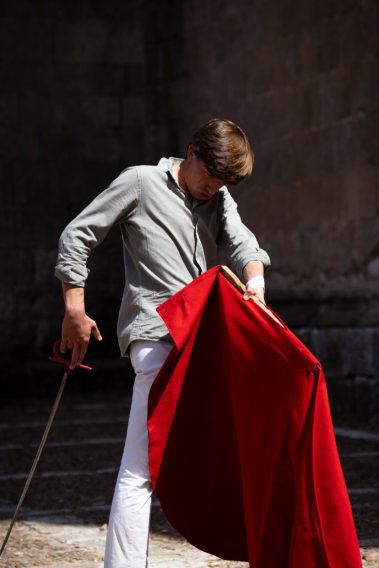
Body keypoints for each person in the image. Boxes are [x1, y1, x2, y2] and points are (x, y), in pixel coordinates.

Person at [55, 118, 271, 567]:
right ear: (191, 152)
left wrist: (257, 282)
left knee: (222, 450)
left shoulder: (219, 197)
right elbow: (78, 234)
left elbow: (242, 242)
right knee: (139, 470)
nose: (213, 188)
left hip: (204, 340)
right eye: (209, 177)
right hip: (156, 338)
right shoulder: (139, 182)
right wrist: (75, 308)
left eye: (222, 183)